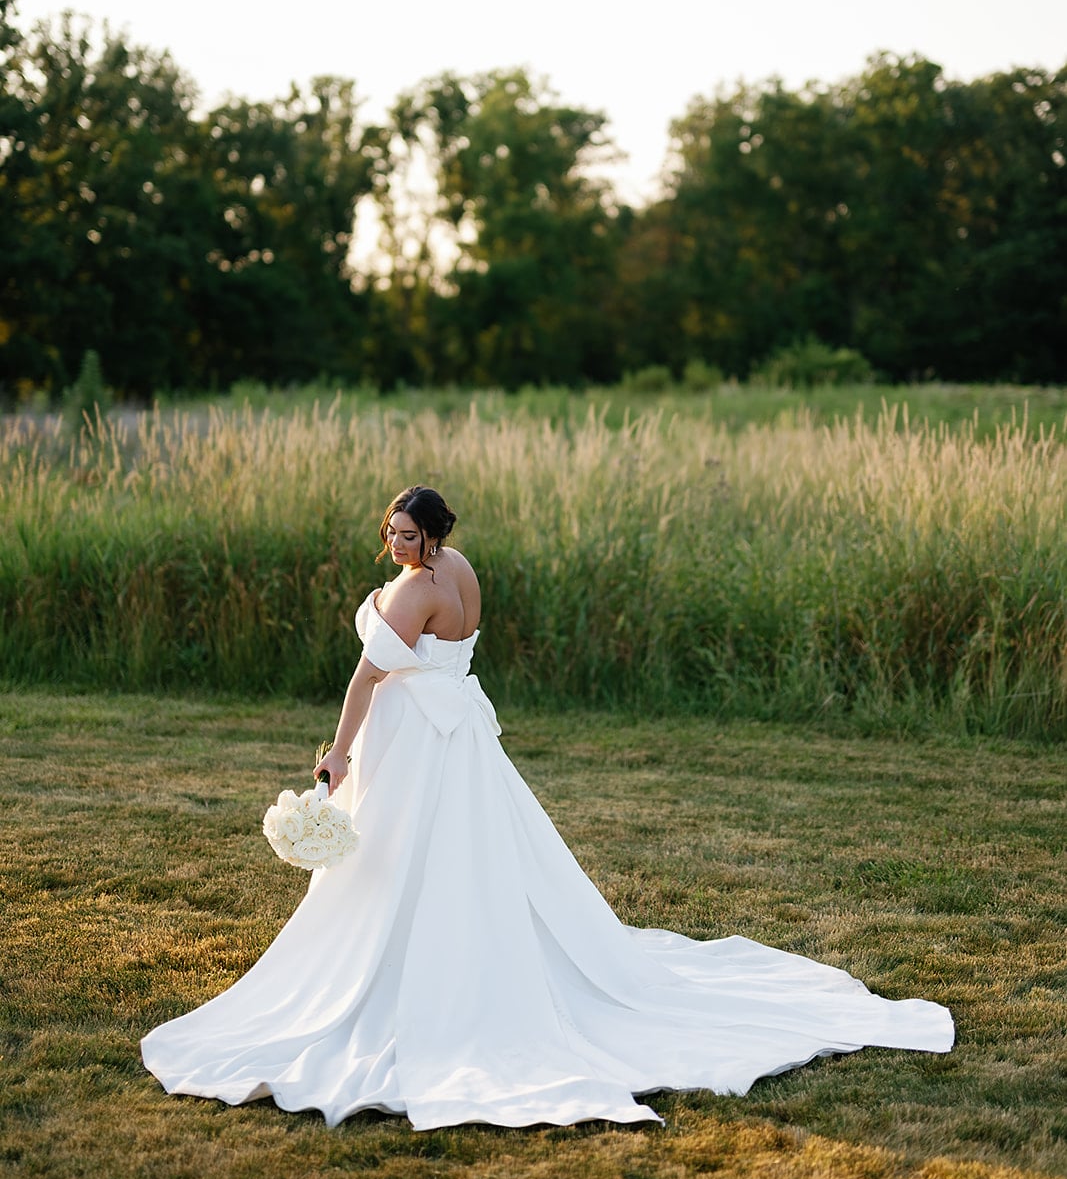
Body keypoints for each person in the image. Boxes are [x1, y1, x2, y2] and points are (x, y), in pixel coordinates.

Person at [141, 483, 954, 1130]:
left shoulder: (413, 592)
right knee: (473, 854)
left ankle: (413, 976)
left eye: (407, 535)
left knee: (403, 859)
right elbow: (444, 659)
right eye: (390, 531)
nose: (396, 544)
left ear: (431, 537)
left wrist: (339, 753)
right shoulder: (461, 571)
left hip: (412, 739)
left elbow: (366, 679)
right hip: (454, 730)